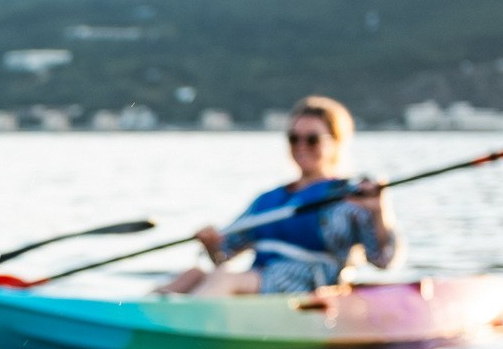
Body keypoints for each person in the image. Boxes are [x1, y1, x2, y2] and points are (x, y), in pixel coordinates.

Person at [160, 95, 401, 297]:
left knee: (226, 280)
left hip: (310, 288)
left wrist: (379, 210)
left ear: (336, 143)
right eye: (294, 138)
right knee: (194, 274)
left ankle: (173, 328)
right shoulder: (268, 200)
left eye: (312, 139)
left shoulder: (349, 197)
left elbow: (383, 260)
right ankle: (132, 317)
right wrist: (212, 243)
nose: (301, 146)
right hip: (259, 282)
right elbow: (224, 256)